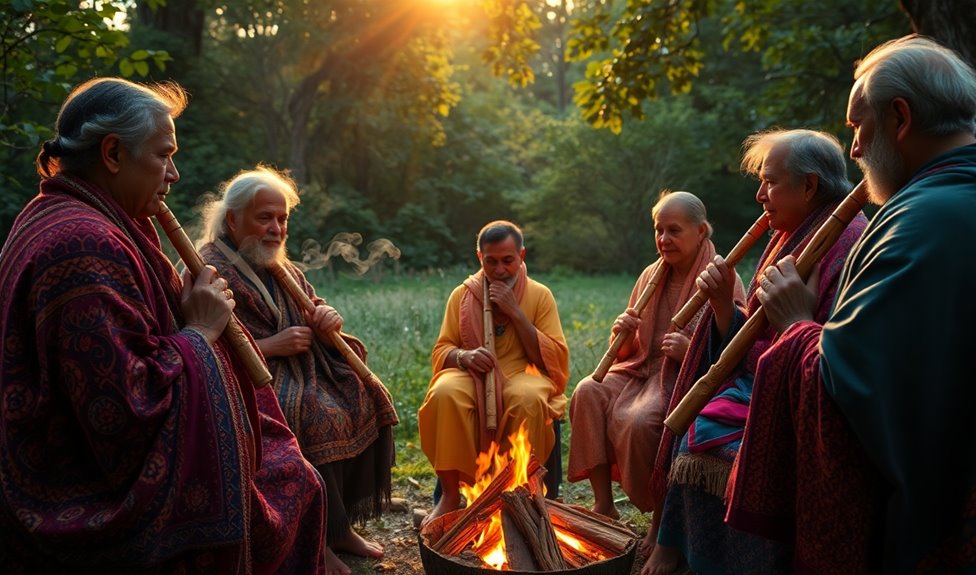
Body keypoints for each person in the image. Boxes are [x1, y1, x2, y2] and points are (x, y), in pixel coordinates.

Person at [0, 78, 328, 573]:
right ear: (112, 153)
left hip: (69, 459)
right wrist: (200, 333)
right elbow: (125, 414)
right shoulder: (85, 244)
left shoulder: (63, 214)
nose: (173, 174)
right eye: (163, 156)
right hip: (83, 493)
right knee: (292, 482)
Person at [725, 35, 976, 574]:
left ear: (899, 117)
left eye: (858, 126)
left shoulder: (922, 227)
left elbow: (858, 392)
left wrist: (798, 326)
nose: (853, 150)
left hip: (936, 526)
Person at [643, 130, 869, 575]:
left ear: (809, 186)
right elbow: (756, 340)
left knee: (708, 434)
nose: (760, 195)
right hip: (768, 379)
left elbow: (825, 353)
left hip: (811, 399)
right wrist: (725, 304)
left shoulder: (848, 244)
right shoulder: (791, 232)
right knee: (697, 425)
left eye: (770, 182)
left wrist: (793, 325)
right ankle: (679, 545)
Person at [198, 166, 399, 575]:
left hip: (299, 368)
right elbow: (202, 340)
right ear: (233, 220)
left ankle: (339, 528)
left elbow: (314, 310)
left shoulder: (284, 269)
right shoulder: (207, 270)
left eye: (282, 218)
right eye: (264, 218)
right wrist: (271, 346)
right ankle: (316, 540)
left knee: (358, 390)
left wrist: (328, 325)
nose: (276, 228)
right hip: (243, 381)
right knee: (312, 411)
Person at [566, 192, 744, 541]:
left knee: (640, 421)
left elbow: (736, 348)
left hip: (682, 378)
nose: (664, 239)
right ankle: (604, 504)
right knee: (587, 391)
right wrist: (624, 333)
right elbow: (630, 352)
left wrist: (690, 349)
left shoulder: (722, 278)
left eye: (674, 230)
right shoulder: (650, 273)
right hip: (639, 371)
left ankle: (662, 521)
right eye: (659, 230)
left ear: (702, 231)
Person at [418, 220, 569, 524]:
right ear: (480, 258)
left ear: (522, 256)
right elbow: (442, 350)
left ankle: (523, 496)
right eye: (492, 262)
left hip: (525, 372)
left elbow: (553, 357)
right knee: (445, 392)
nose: (500, 269)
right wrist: (464, 356)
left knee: (526, 398)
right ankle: (450, 496)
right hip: (474, 374)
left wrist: (514, 311)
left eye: (508, 261)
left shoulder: (540, 295)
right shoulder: (463, 295)